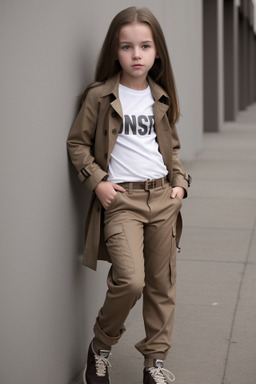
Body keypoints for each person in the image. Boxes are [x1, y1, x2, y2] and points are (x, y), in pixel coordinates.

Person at [67, 6, 191, 384]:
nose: (136, 54)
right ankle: (100, 347)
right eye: (127, 46)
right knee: (131, 280)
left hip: (162, 198)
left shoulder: (161, 97)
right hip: (122, 202)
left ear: (157, 53)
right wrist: (98, 182)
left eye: (144, 46)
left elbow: (171, 151)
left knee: (161, 285)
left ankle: (154, 365)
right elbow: (77, 144)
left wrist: (181, 184)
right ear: (115, 51)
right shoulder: (100, 96)